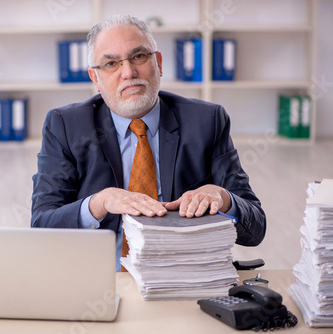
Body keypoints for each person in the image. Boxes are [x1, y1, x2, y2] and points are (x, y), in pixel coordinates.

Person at [31, 15, 266, 272]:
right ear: (95, 79)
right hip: (99, 278)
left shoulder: (207, 121)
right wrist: (97, 203)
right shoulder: (65, 125)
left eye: (139, 56)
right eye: (111, 63)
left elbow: (255, 231)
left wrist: (223, 198)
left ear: (159, 63)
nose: (128, 73)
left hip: (182, 278)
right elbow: (43, 227)